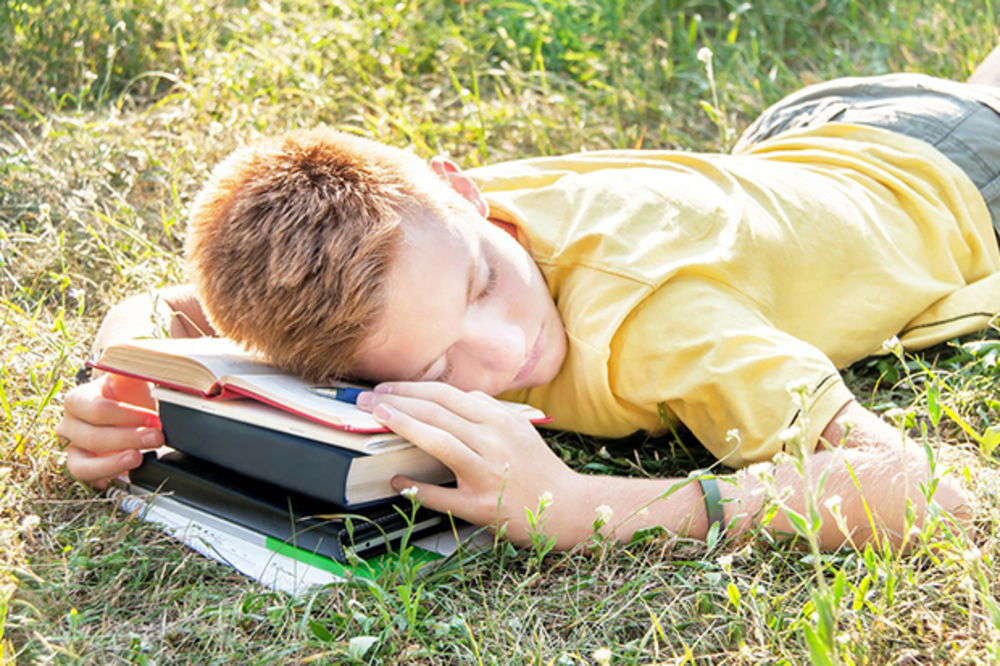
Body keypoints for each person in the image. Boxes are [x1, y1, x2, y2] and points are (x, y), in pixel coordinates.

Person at [57, 48, 1000, 551]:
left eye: (483, 284)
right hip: (801, 140)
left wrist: (588, 503)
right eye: (436, 367)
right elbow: (166, 307)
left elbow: (933, 493)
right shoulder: (424, 231)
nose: (504, 352)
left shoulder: (659, 325)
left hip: (956, 175)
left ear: (462, 190)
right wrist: (126, 385)